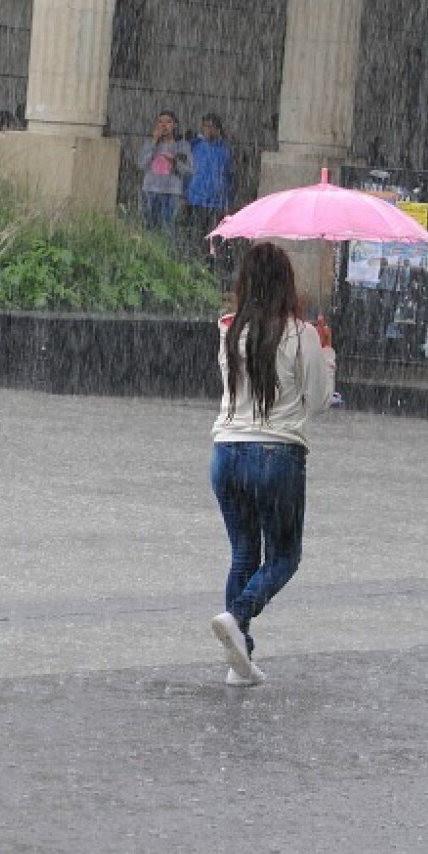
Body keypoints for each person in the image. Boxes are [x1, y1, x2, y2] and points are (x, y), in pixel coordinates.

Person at [209, 243, 336, 687]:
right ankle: (237, 615)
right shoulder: (301, 335)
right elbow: (318, 401)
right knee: (284, 556)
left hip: (225, 454)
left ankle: (238, 662)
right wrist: (326, 352)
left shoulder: (228, 329)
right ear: (287, 284)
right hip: (276, 455)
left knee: (245, 551)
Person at [137, 110, 191, 234]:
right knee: (149, 227)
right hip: (150, 190)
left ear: (175, 125)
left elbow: (188, 170)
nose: (164, 125)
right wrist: (153, 143)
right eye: (160, 122)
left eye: (168, 122)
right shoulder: (149, 143)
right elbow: (141, 164)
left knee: (168, 229)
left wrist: (175, 161)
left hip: (171, 192)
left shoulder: (182, 146)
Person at [185, 113, 236, 242]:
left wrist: (228, 202)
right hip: (196, 199)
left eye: (210, 126)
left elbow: (229, 176)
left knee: (214, 237)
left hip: (217, 202)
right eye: (205, 126)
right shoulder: (195, 146)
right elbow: (187, 170)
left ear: (218, 129)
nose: (207, 130)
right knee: (196, 234)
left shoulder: (225, 150)